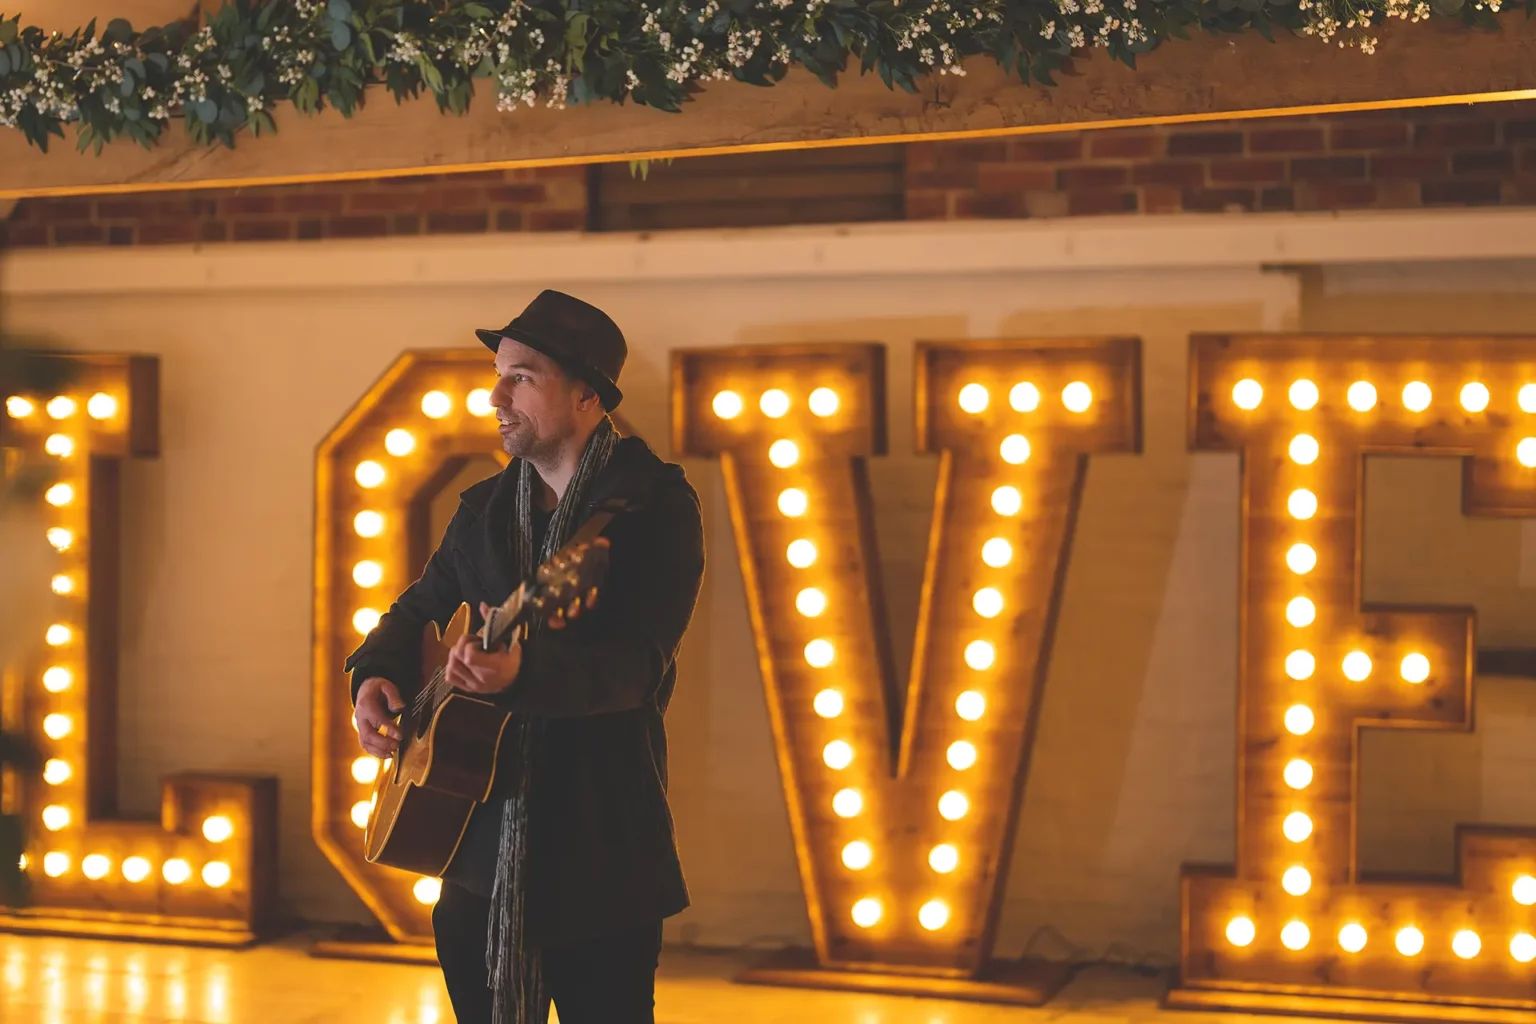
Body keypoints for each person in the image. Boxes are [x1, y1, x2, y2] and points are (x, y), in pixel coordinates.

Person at [344, 290, 706, 1024]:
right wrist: (374, 678)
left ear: (586, 394)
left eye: (522, 376)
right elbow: (413, 611)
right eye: (500, 373)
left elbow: (639, 666)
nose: (497, 393)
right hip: (477, 858)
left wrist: (523, 676)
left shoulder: (653, 505)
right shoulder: (483, 508)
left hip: (599, 855)